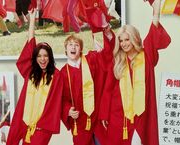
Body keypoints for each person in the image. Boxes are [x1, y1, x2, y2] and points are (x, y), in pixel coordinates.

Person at [99, 0, 171, 145]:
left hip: (140, 114)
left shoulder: (146, 56)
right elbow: (108, 89)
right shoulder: (118, 60)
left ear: (134, 39)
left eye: (127, 39)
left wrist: (156, 13)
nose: (124, 43)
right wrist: (104, 114)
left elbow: (152, 39)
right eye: (122, 40)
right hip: (118, 114)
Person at [6, 9, 63, 145]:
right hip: (24, 119)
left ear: (50, 57)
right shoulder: (30, 71)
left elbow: (62, 98)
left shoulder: (56, 75)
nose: (42, 59)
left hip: (42, 126)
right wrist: (32, 20)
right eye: (39, 56)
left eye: (45, 56)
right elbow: (30, 43)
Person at [60, 22, 115, 144]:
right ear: (65, 49)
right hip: (80, 122)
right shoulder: (63, 73)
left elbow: (107, 54)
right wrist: (68, 110)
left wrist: (107, 34)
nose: (73, 47)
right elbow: (62, 99)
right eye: (70, 45)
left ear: (81, 49)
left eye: (76, 45)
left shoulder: (91, 60)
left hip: (99, 117)